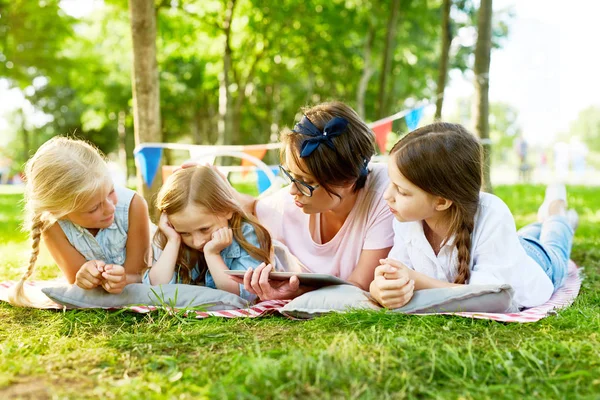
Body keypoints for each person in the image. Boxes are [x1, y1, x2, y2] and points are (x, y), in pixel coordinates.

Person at [370, 122, 578, 310]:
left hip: (537, 261)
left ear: (441, 201)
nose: (387, 196)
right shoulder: (405, 219)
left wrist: (416, 280)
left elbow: (488, 295)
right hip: (503, 250)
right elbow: (395, 272)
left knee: (554, 236)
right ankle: (544, 220)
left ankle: (556, 209)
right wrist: (380, 288)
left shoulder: (493, 213)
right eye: (391, 183)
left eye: (402, 191)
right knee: (526, 235)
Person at [228, 101, 394, 300]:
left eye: (306, 181)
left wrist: (299, 292)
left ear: (347, 180)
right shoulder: (293, 202)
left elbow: (359, 286)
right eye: (290, 175)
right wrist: (213, 183)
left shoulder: (385, 194)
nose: (292, 190)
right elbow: (252, 206)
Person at [8, 137, 150, 307]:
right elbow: (76, 281)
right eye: (93, 208)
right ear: (60, 213)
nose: (110, 208)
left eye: (111, 191)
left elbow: (140, 275)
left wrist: (123, 279)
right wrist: (84, 277)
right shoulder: (52, 225)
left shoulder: (133, 206)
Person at [143, 166, 275, 302]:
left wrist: (212, 254)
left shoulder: (248, 235)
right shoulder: (173, 237)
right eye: (185, 233)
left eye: (204, 229)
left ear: (227, 210)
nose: (197, 241)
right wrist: (173, 241)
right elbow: (154, 290)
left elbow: (244, 294)